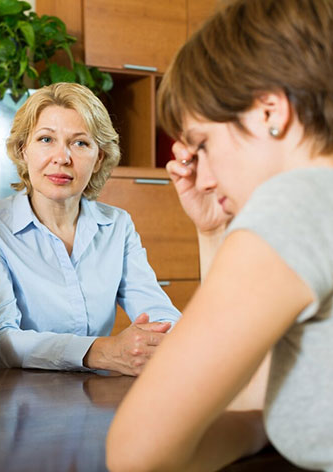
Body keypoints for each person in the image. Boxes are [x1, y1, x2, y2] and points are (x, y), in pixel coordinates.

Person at [107, 0, 333, 470]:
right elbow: (254, 375)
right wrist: (215, 232)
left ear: (270, 111)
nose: (204, 178)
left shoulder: (296, 202)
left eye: (203, 143)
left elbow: (136, 453)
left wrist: (255, 428)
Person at [0, 83, 181, 375]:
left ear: (99, 158)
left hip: (96, 394)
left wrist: (166, 337)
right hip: (20, 399)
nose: (62, 157)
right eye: (46, 139)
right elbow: (0, 338)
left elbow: (158, 311)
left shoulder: (117, 225)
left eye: (80, 143)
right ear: (23, 149)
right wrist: (100, 351)